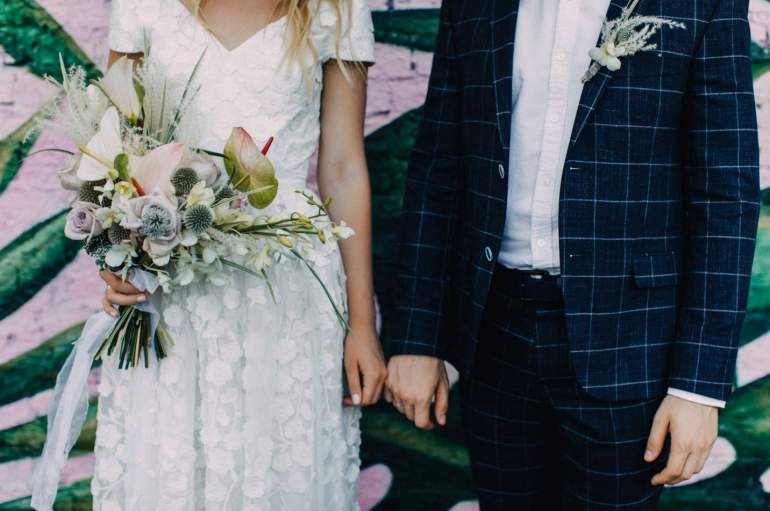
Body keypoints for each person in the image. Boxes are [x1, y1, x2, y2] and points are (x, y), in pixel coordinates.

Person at [386, 0, 760, 509]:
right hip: (494, 335)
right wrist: (416, 338)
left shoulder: (702, 4)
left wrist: (697, 387)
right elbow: (438, 168)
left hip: (629, 342)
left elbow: (725, 198)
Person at [96, 0, 386, 509]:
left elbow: (343, 169)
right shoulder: (143, 6)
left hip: (290, 288)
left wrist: (362, 325)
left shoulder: (336, 8)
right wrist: (113, 257)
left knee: (280, 471)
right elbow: (113, 153)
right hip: (174, 282)